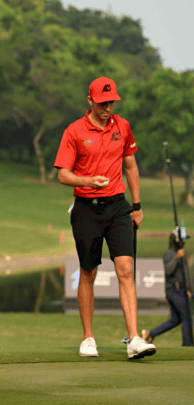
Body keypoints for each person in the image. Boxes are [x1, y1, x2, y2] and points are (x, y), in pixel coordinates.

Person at [54, 76, 157, 360]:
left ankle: (134, 338)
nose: (107, 107)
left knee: (125, 269)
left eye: (111, 102)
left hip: (117, 207)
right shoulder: (74, 131)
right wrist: (88, 180)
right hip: (86, 209)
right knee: (88, 272)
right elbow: (63, 174)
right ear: (90, 101)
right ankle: (88, 338)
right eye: (102, 102)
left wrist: (136, 206)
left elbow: (131, 166)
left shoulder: (122, 126)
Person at [142, 232, 193, 346]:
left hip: (182, 291)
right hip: (174, 291)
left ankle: (151, 334)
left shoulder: (180, 253)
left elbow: (184, 274)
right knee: (187, 317)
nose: (184, 242)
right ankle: (188, 345)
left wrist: (188, 289)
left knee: (175, 320)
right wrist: (177, 257)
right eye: (182, 240)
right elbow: (168, 270)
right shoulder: (170, 254)